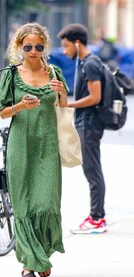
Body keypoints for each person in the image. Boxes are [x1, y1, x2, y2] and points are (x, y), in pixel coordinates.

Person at [0, 22, 69, 277]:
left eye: (38, 46)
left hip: (48, 144)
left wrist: (61, 94)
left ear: (44, 46)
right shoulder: (11, 74)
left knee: (47, 201)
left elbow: (64, 107)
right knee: (24, 202)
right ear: (19, 46)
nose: (33, 51)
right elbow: (3, 112)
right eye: (28, 46)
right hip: (21, 143)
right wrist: (20, 107)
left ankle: (42, 252)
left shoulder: (54, 72)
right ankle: (29, 262)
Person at [57, 23, 107, 234]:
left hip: (90, 123)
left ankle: (97, 218)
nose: (64, 50)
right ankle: (96, 216)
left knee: (92, 169)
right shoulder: (85, 62)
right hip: (86, 122)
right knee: (91, 169)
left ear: (77, 43)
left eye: (67, 46)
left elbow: (95, 97)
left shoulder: (91, 64)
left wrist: (68, 104)